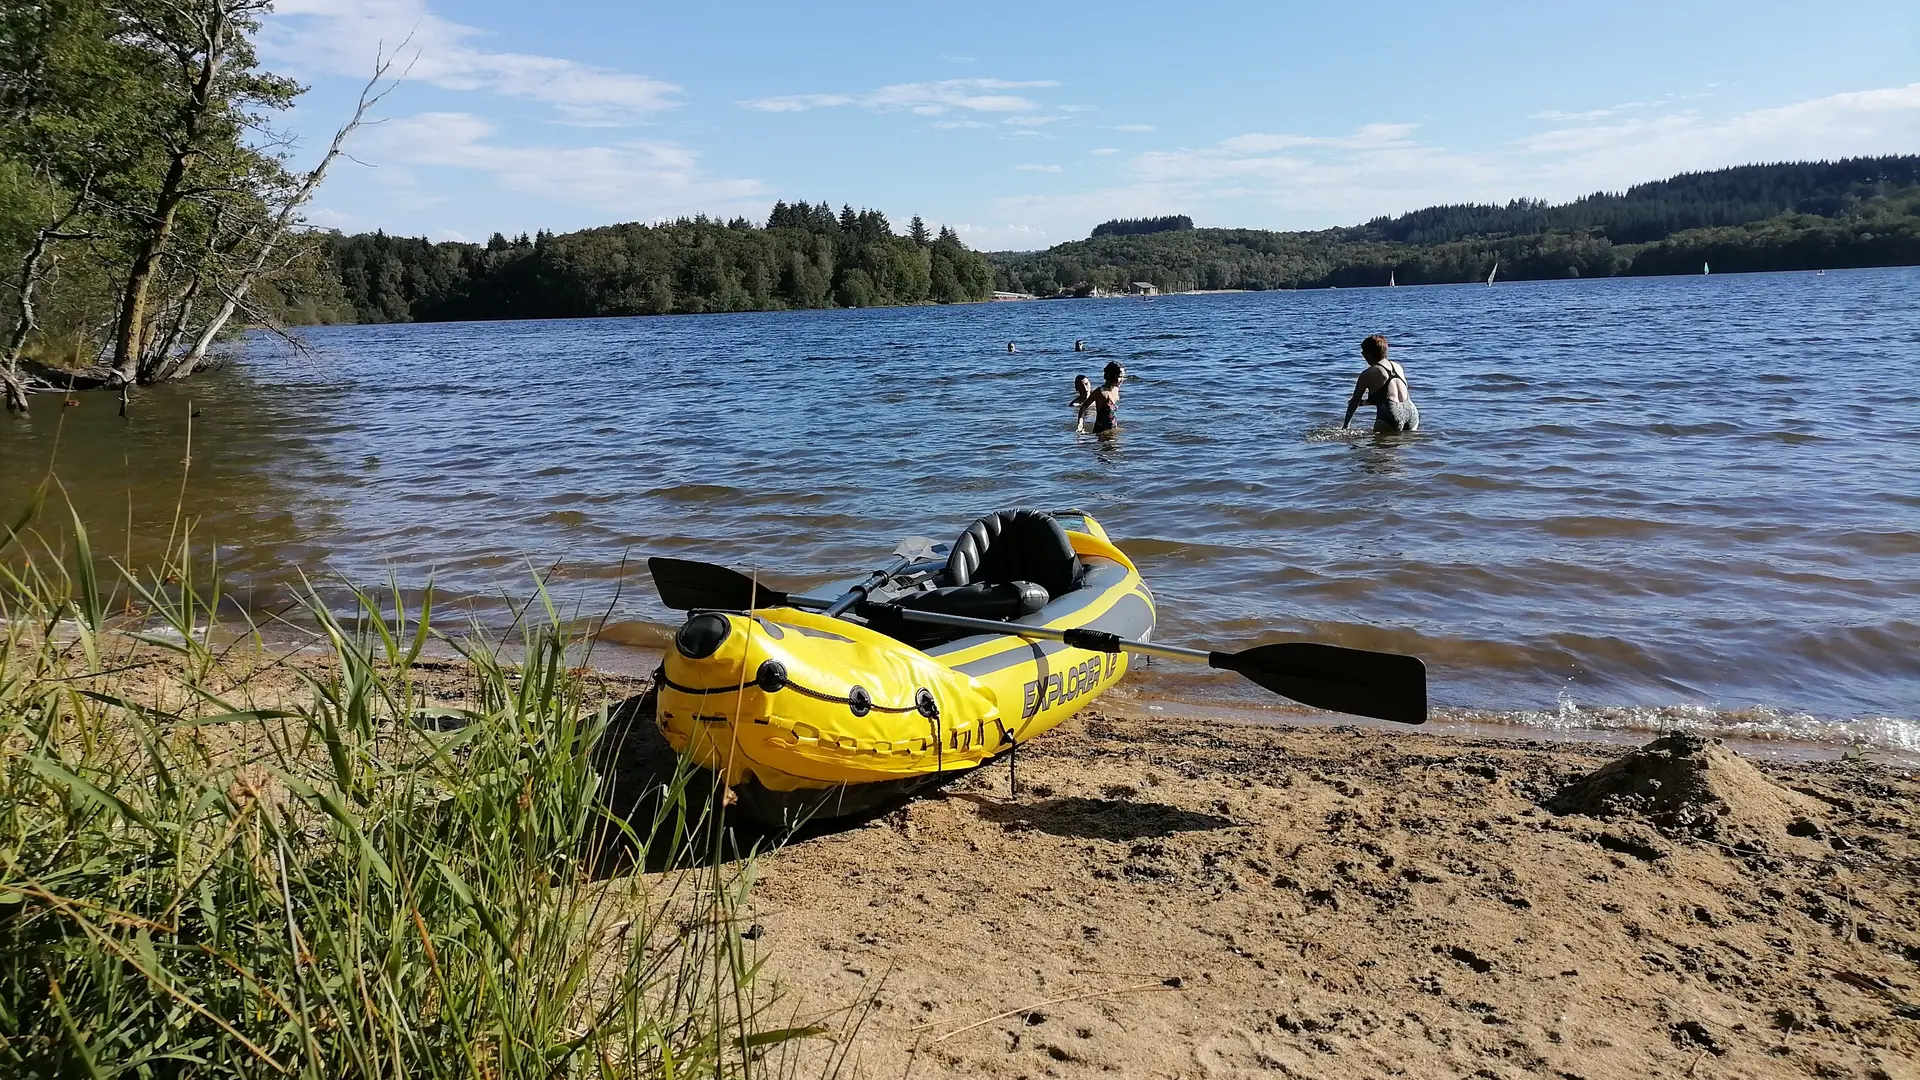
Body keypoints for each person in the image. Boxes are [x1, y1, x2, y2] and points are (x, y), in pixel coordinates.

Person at [1344, 334, 1419, 433]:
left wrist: (1345, 427)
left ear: (1368, 354)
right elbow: (1391, 395)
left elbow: (1354, 402)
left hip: (1390, 415)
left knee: (1381, 447)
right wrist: (1366, 402)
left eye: (1363, 352)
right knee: (1404, 446)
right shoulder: (1398, 367)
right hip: (1411, 413)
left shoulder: (1368, 373)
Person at [1077, 361, 1124, 434]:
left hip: (1112, 430)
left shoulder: (1116, 389)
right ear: (1110, 375)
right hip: (1101, 432)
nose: (1121, 380)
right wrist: (1080, 423)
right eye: (1119, 376)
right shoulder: (1100, 392)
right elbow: (1084, 406)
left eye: (1123, 377)